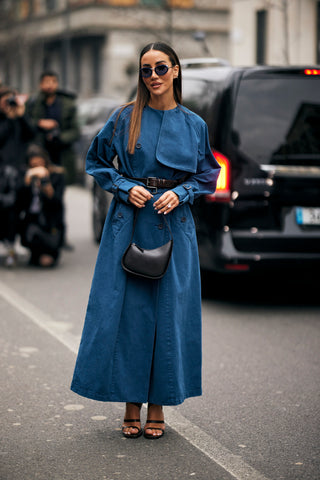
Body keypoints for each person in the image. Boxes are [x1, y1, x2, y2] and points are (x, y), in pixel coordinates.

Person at [70, 42, 221, 439]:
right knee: (129, 315)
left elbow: (208, 174)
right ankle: (131, 405)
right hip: (129, 223)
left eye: (159, 68)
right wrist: (122, 186)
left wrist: (182, 193)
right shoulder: (123, 118)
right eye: (145, 70)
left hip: (174, 225)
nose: (152, 76)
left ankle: (158, 407)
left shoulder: (194, 125)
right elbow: (96, 161)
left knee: (169, 315)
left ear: (175, 70)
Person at [27, 71, 80, 249]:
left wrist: (60, 137)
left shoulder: (67, 104)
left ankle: (60, 235)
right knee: (38, 195)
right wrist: (39, 124)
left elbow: (76, 130)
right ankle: (39, 232)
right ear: (40, 84)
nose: (49, 85)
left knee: (58, 198)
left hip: (61, 157)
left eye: (53, 81)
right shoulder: (33, 103)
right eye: (46, 82)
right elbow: (26, 124)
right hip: (40, 157)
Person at [0, 86, 35, 267]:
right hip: (2, 174)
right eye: (5, 100)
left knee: (18, 208)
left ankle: (15, 242)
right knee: (6, 210)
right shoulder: (3, 121)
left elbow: (31, 134)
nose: (9, 104)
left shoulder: (19, 119)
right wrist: (8, 119)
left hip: (20, 172)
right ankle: (8, 243)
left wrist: (21, 116)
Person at [17, 146, 64, 267]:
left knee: (47, 262)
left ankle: (50, 252)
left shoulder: (56, 175)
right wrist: (27, 183)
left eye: (39, 163)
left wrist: (45, 182)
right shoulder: (25, 175)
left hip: (51, 221)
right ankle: (35, 252)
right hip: (31, 220)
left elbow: (56, 202)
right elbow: (19, 203)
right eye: (33, 165)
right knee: (31, 232)